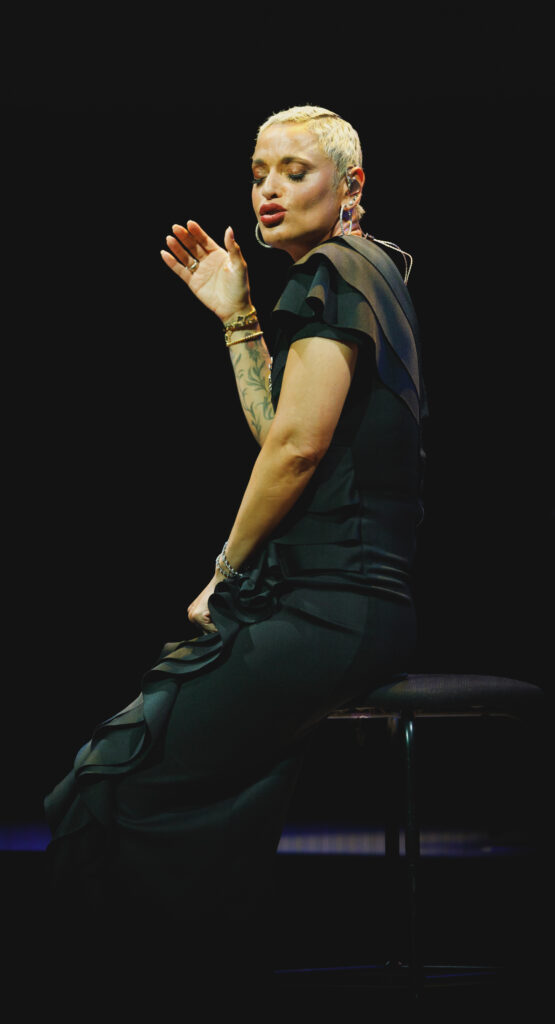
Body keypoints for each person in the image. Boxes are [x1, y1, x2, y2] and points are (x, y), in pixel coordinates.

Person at [43, 105, 428, 1000]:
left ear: (350, 186)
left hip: (329, 606)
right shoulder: (363, 272)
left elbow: (293, 452)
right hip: (349, 609)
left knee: (111, 779)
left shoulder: (335, 270)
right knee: (186, 779)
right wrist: (238, 316)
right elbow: (282, 430)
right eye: (258, 172)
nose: (268, 190)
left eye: (294, 171)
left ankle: (144, 987)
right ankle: (198, 975)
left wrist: (227, 568)